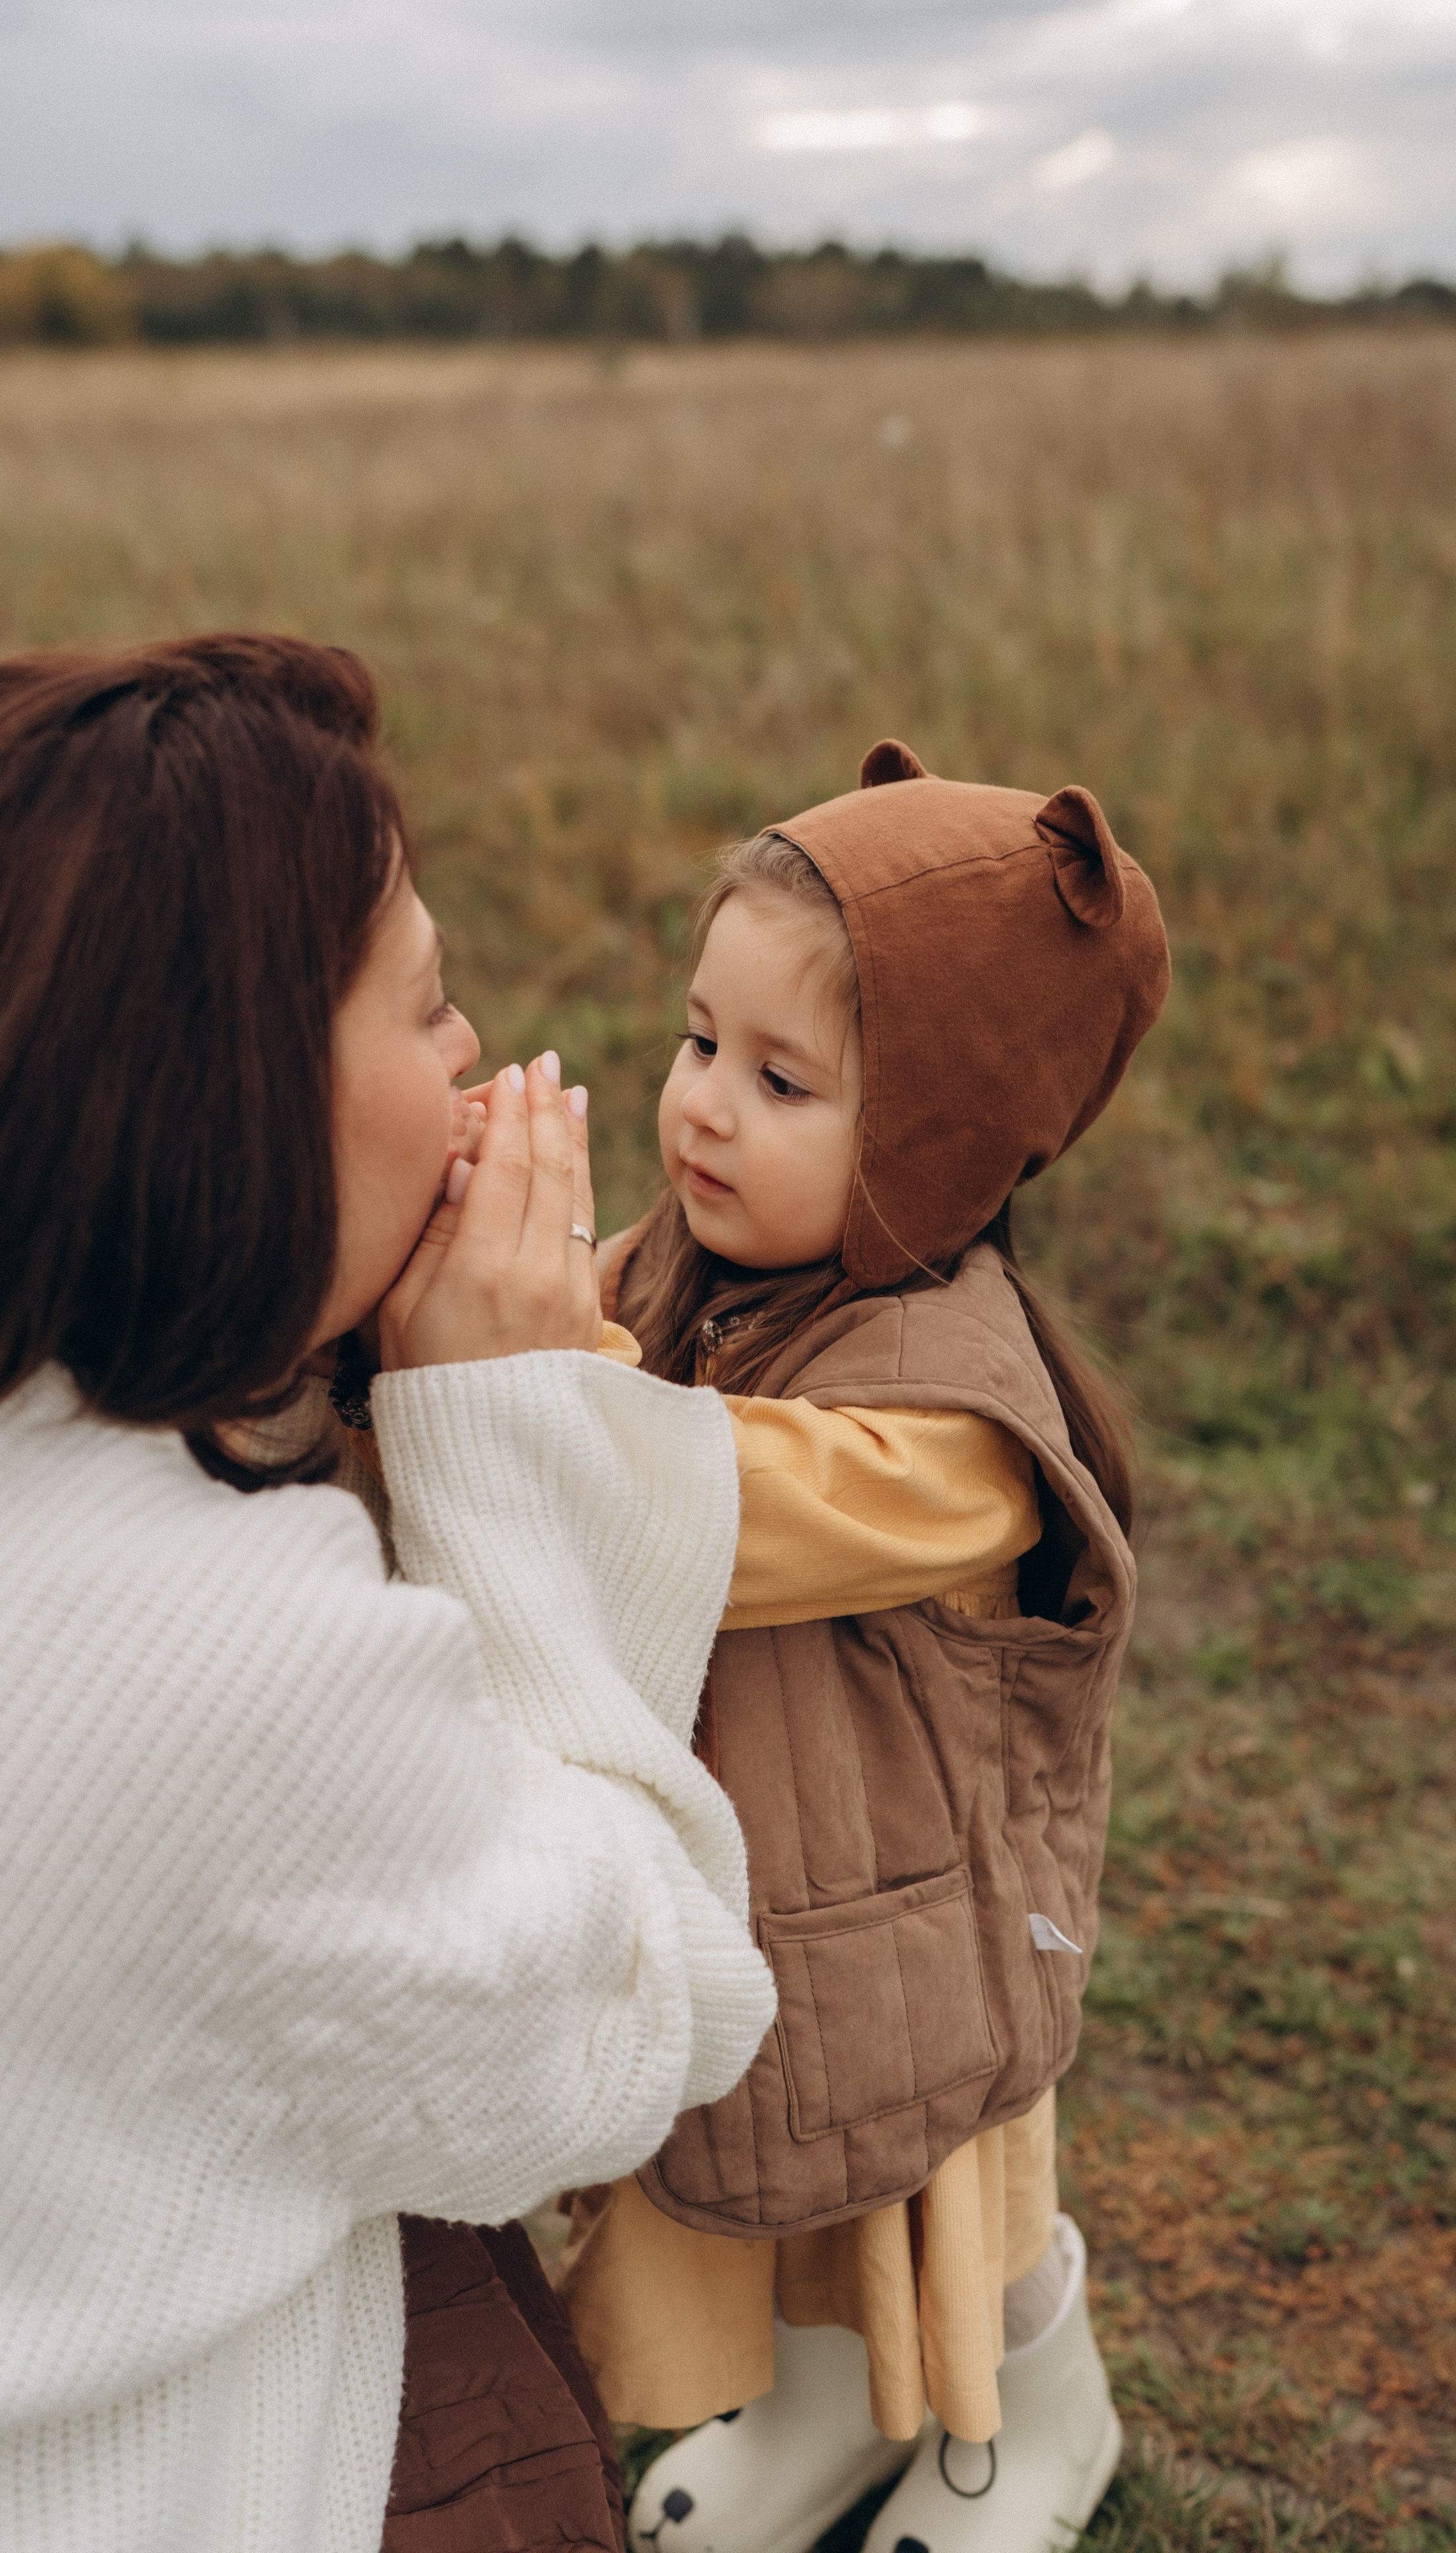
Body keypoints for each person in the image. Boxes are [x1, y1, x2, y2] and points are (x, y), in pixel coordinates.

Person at [0, 634, 778, 2553]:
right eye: (429, 1003)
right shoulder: (210, 1658)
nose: (472, 1059)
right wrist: (514, 1437)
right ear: (221, 1105)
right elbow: (627, 2022)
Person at [554, 740, 1171, 2553]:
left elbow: (708, 1499)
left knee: (947, 2199)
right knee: (800, 2178)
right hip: (787, 1891)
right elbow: (578, 1341)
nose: (702, 1110)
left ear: (935, 1138)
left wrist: (507, 1369)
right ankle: (826, 2409)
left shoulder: (955, 1430)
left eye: (781, 1080)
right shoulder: (696, 1271)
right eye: (697, 1044)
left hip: (927, 1922)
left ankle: (1027, 2427)